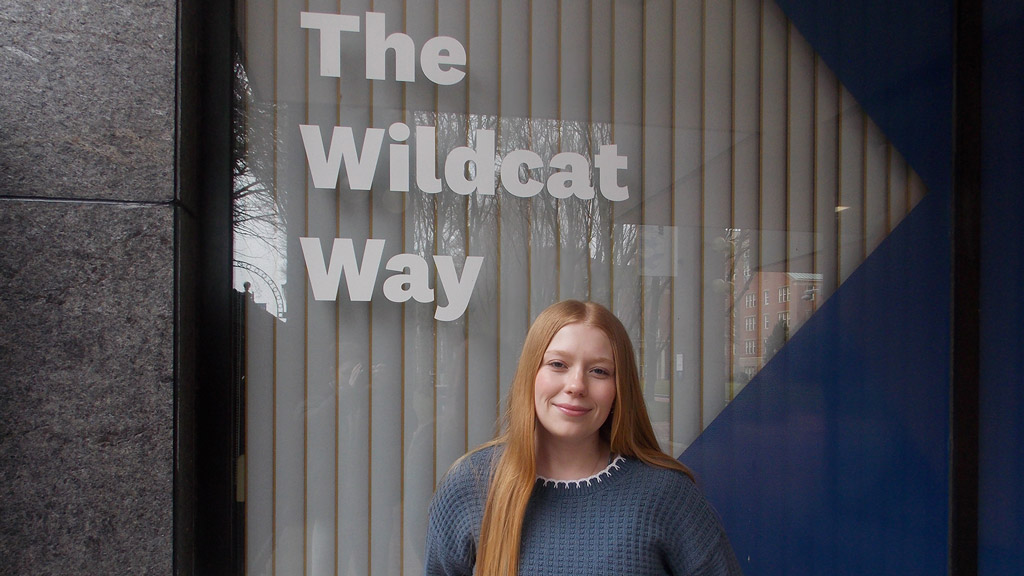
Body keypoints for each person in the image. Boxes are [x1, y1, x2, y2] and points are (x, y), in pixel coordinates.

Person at [424, 300, 743, 576]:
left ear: (620, 389)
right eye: (558, 364)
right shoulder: (472, 484)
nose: (576, 385)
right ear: (530, 375)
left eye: (599, 371)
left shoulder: (666, 496)